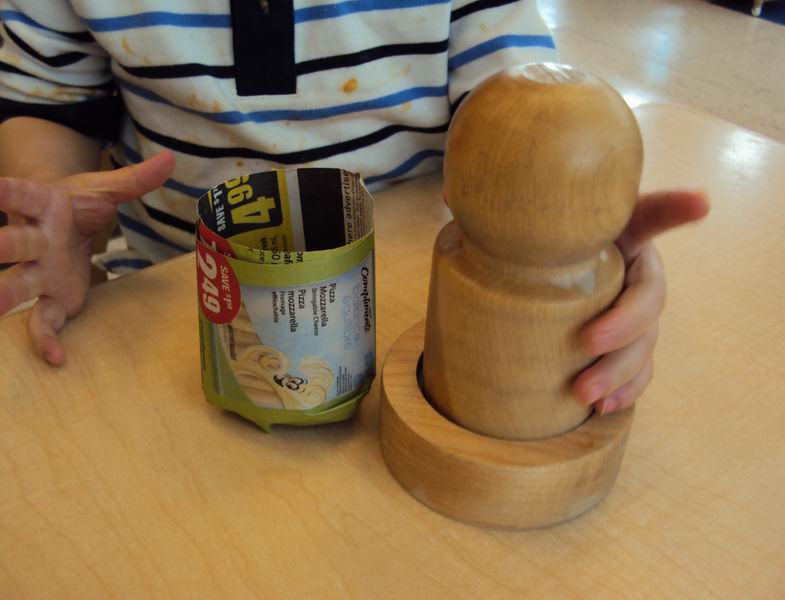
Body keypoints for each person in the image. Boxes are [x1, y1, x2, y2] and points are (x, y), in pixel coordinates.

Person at [0, 1, 708, 416]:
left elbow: (523, 124)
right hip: (167, 307)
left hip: (417, 321)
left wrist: (581, 262)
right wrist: (50, 205)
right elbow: (44, 102)